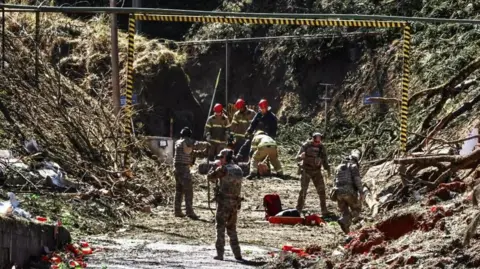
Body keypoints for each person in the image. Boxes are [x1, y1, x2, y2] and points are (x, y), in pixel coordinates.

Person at [207, 148, 243, 261]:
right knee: (232, 229)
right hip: (235, 203)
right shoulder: (239, 169)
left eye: (221, 157)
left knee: (220, 227)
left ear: (225, 158)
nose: (220, 159)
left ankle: (220, 254)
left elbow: (210, 177)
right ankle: (237, 254)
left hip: (224, 203)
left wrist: (214, 166)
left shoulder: (223, 169)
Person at [173, 127, 210, 219]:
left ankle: (177, 211)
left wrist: (203, 153)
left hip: (177, 169)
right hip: (184, 169)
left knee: (179, 191)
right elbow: (197, 144)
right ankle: (189, 212)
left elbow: (191, 152)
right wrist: (208, 143)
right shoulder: (187, 141)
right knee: (188, 191)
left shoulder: (178, 143)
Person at [296, 132, 331, 215]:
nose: (317, 142)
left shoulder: (322, 147)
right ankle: (298, 208)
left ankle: (324, 209)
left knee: (322, 190)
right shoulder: (306, 146)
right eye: (316, 139)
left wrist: (328, 169)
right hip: (306, 170)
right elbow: (296, 158)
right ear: (313, 138)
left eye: (319, 140)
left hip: (317, 171)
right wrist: (301, 157)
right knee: (303, 190)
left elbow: (325, 160)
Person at [331, 149, 364, 234]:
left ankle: (346, 230)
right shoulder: (353, 166)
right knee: (357, 208)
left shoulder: (338, 167)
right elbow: (357, 180)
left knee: (344, 211)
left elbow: (335, 180)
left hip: (338, 193)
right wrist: (361, 192)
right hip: (349, 192)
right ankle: (348, 222)